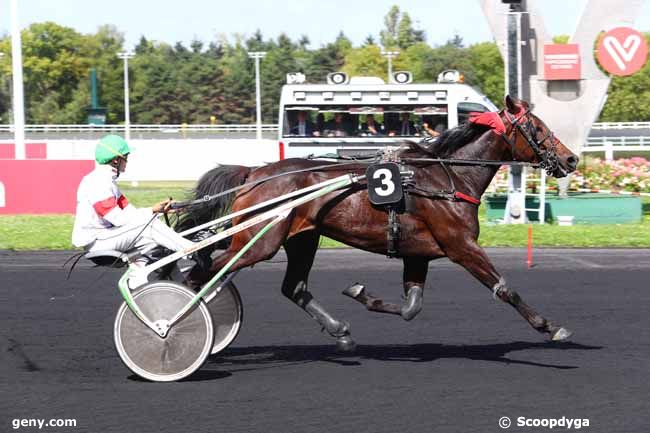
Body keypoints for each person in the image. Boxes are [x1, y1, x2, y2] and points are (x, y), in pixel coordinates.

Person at [72, 134, 201, 288]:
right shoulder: (97, 182)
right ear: (116, 160)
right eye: (125, 157)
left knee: (160, 244)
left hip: (107, 236)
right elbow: (119, 219)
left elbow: (129, 213)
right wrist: (152, 216)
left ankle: (171, 285)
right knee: (149, 226)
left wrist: (156, 210)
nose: (127, 161)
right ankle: (194, 250)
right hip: (98, 242)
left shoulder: (107, 181)